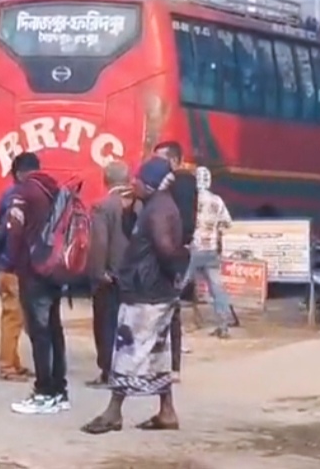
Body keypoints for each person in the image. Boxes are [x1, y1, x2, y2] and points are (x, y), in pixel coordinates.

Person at [81, 157, 189, 435]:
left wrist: (173, 270)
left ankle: (113, 411)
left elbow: (165, 249)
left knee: (128, 351)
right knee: (157, 353)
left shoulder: (157, 211)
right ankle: (167, 411)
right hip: (155, 290)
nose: (133, 184)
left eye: (138, 181)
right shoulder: (155, 206)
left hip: (146, 293)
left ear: (150, 184)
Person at [4, 153, 69, 415]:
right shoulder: (53, 189)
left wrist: (11, 262)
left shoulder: (24, 193)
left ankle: (43, 392)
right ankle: (59, 391)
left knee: (39, 333)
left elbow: (13, 231)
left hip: (32, 271)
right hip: (55, 270)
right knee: (54, 330)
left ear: (19, 172)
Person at [85, 161, 135, 388]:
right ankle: (129, 369)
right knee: (130, 323)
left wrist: (98, 272)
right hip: (134, 275)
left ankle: (108, 371)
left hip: (110, 277)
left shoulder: (103, 207)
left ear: (105, 179)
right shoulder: (139, 204)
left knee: (105, 324)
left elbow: (99, 243)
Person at [0, 166, 32, 382]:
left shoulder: (9, 194)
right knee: (12, 316)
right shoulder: (18, 199)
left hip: (6, 264)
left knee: (15, 316)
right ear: (22, 174)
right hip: (10, 267)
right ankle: (7, 366)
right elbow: (5, 229)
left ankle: (14, 362)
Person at [152, 141, 197, 380]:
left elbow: (185, 220)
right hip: (170, 251)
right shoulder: (170, 184)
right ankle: (167, 365)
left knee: (169, 310)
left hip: (171, 253)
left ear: (172, 160)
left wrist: (176, 246)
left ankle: (170, 365)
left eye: (160, 159)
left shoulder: (181, 183)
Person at [189, 167, 234, 339]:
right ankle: (223, 325)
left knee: (177, 286)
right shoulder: (217, 200)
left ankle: (166, 328)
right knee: (217, 289)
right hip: (211, 249)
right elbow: (227, 223)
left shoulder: (192, 199)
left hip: (193, 248)